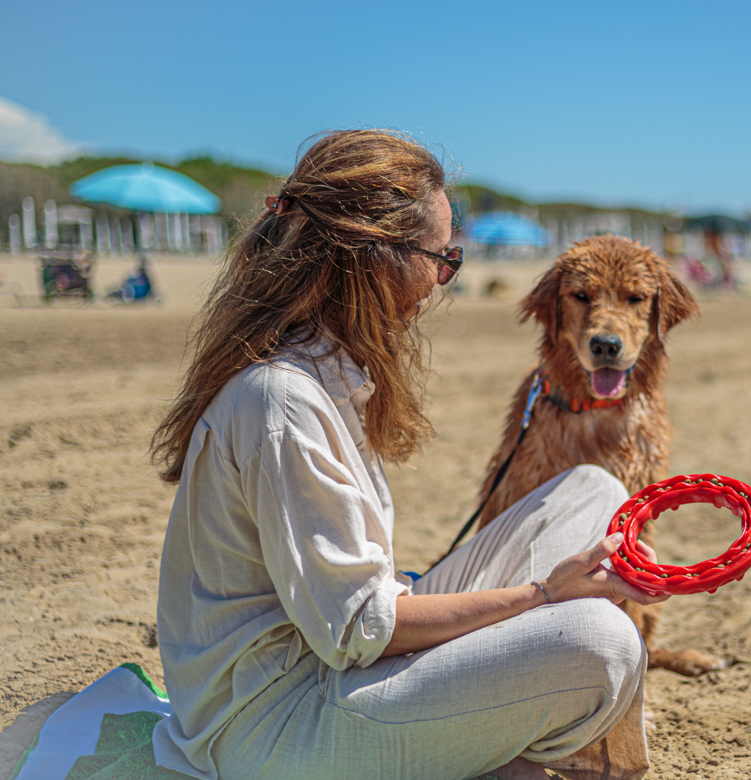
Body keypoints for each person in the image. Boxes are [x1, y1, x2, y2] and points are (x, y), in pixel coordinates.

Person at [149, 129, 668, 780]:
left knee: (593, 491)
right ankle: (517, 746)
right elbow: (362, 631)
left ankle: (500, 739)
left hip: (333, 663)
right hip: (274, 726)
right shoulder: (281, 402)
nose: (442, 281)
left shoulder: (328, 374)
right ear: (373, 257)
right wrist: (540, 594)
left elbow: (352, 611)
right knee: (603, 644)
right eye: (441, 259)